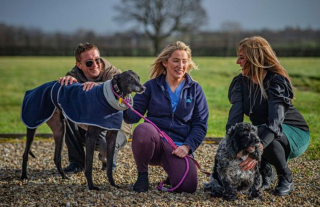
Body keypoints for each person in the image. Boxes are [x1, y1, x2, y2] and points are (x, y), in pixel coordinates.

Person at [226, 36, 310, 196]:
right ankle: (266, 173)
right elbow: (234, 121)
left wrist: (257, 148)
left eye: (242, 58)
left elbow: (274, 124)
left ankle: (286, 177)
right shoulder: (240, 83)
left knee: (260, 132)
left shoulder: (275, 82)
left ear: (255, 58)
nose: (237, 62)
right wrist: (233, 145)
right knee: (245, 133)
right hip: (264, 132)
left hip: (293, 133)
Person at [123, 41, 209, 193]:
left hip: (178, 147)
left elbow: (200, 124)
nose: (180, 66)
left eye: (184, 61)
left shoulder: (195, 89)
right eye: (175, 61)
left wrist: (187, 146)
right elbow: (132, 117)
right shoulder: (150, 86)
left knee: (187, 187)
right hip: (154, 143)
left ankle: (173, 172)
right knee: (143, 129)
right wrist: (122, 98)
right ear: (165, 62)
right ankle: (142, 174)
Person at [58, 43, 132, 173]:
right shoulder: (73, 75)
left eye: (97, 60)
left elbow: (120, 91)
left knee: (107, 145)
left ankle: (107, 158)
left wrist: (98, 87)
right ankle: (77, 162)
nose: (95, 65)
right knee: (68, 111)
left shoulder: (114, 74)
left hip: (117, 125)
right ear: (79, 65)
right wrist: (66, 82)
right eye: (88, 63)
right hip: (89, 124)